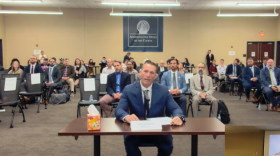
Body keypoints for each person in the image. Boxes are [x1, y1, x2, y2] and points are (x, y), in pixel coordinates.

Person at [115, 61, 185, 156]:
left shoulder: (163, 90)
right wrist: (126, 116)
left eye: (151, 73)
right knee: (130, 146)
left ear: (155, 76)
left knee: (167, 146)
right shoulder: (129, 89)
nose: (148, 75)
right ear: (140, 72)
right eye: (145, 71)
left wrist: (178, 116)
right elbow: (119, 110)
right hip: (136, 130)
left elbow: (176, 109)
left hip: (158, 130)